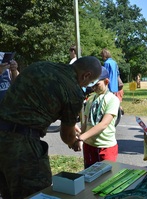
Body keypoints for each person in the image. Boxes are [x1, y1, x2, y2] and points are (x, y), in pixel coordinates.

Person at [0, 56, 102, 199]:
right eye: (90, 82)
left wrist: (69, 123)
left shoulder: (41, 66)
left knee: (8, 192)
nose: (88, 85)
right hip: (22, 147)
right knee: (37, 193)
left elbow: (34, 101)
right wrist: (73, 142)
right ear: (86, 75)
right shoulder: (74, 91)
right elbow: (66, 136)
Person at [80, 67, 120, 169]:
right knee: (89, 175)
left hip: (106, 146)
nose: (93, 88)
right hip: (89, 145)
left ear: (106, 81)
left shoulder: (113, 100)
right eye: (92, 85)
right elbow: (85, 121)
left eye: (97, 85)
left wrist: (82, 137)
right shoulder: (90, 99)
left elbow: (103, 124)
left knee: (106, 179)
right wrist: (81, 137)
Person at [100, 48, 124, 113]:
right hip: (115, 84)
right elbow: (117, 73)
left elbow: (105, 74)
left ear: (104, 55)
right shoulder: (114, 62)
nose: (102, 57)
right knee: (114, 99)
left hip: (109, 84)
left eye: (102, 56)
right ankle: (118, 110)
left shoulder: (106, 63)